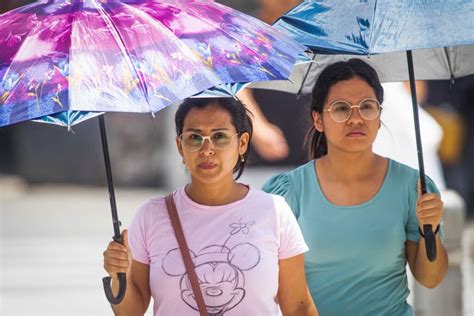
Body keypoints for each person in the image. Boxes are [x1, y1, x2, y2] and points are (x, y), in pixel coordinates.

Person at [262, 59, 448, 315]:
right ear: (318, 119)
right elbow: (275, 288)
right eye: (341, 109)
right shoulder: (288, 191)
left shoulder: (413, 187)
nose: (356, 118)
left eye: (367, 107)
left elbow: (430, 279)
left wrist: (432, 227)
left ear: (380, 117)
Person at [103, 97, 318, 315]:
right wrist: (119, 275)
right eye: (194, 138)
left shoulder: (275, 211)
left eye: (220, 137)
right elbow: (130, 311)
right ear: (180, 146)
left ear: (242, 143)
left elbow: (299, 307)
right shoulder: (152, 216)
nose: (207, 149)